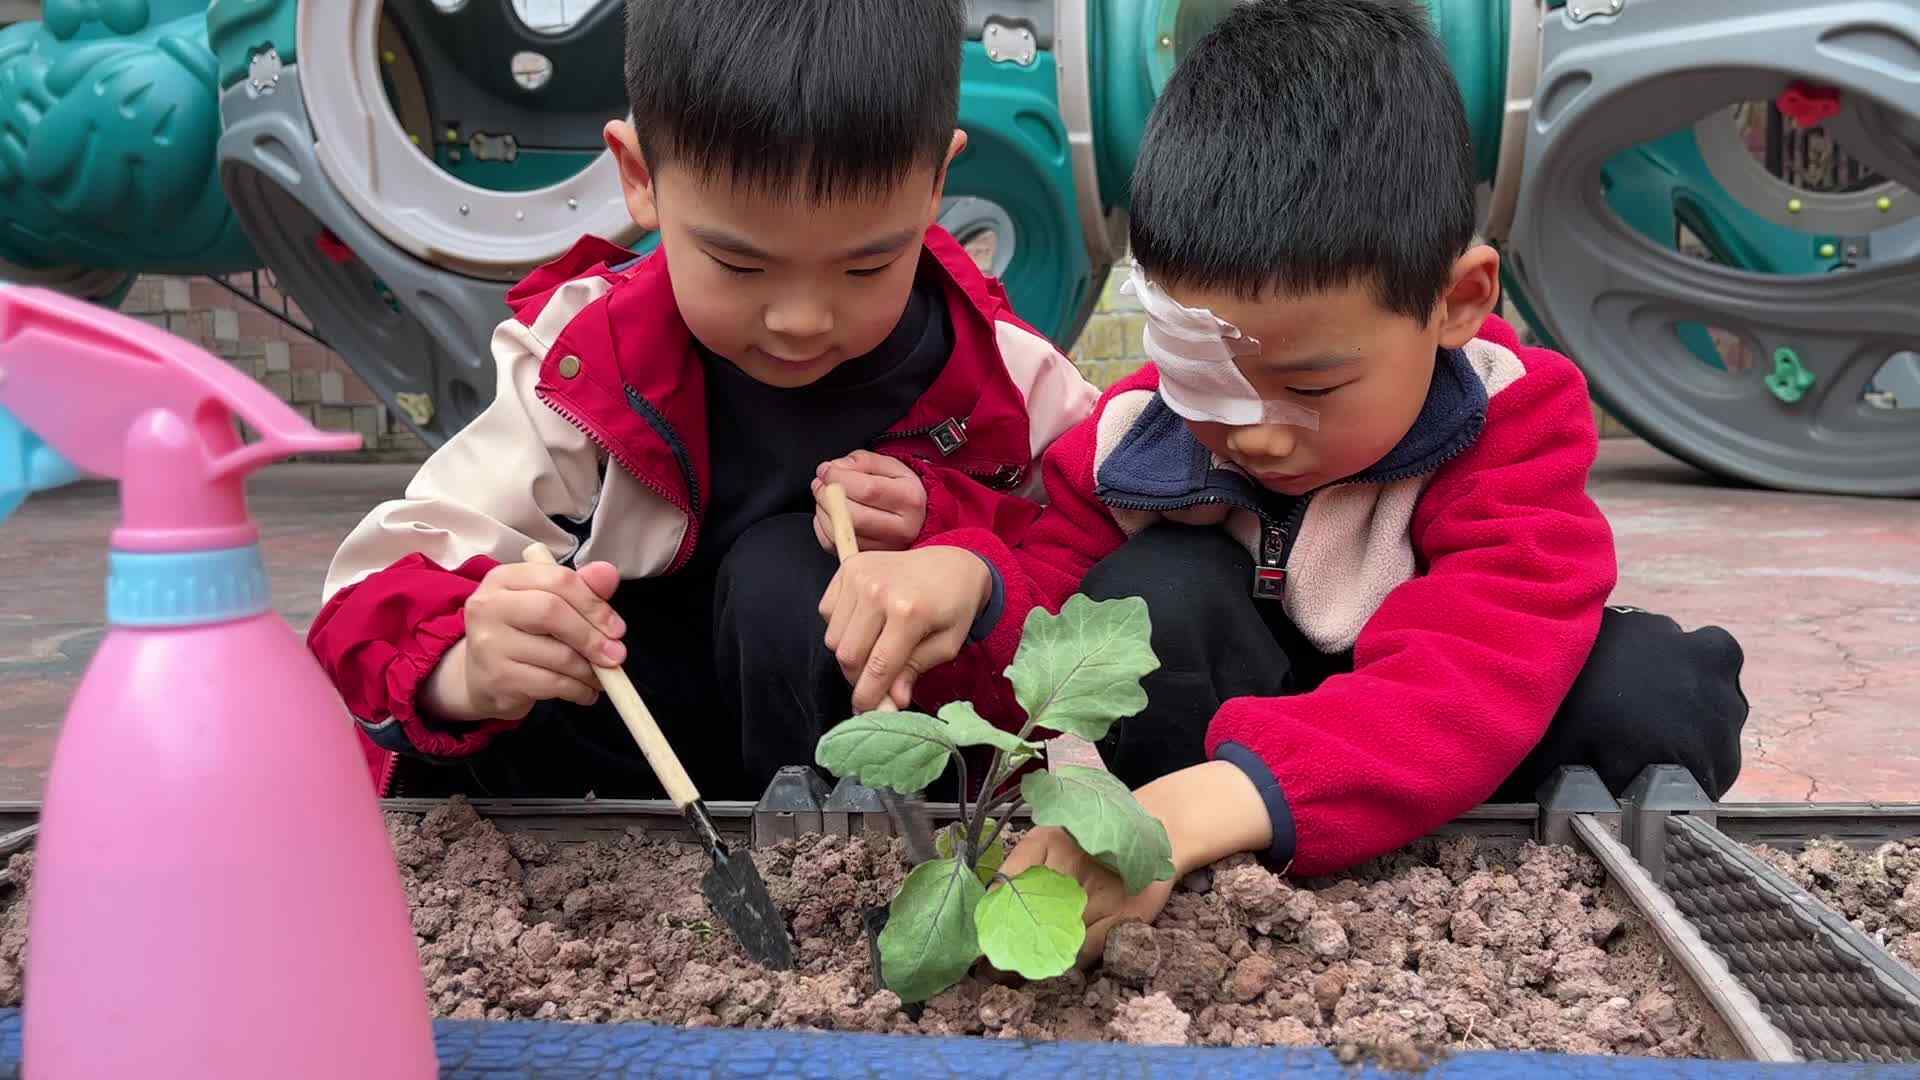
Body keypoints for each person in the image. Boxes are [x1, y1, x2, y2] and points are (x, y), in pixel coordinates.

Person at [818, 0, 1747, 960]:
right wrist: (971, 586)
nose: (1255, 432)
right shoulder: (1138, 439)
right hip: (1221, 748)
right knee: (1148, 598)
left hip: (1403, 740)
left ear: (1458, 301)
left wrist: (1234, 794)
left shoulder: (1510, 421)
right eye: (1205, 374)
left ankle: (1489, 860)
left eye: (1312, 383)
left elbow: (1473, 665)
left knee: (1651, 692)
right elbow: (1042, 628)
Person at [307, 0, 1097, 800]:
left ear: (936, 184)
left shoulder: (1005, 381)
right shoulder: (587, 365)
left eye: (865, 269)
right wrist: (465, 667)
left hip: (882, 783)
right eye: (739, 266)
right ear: (641, 177)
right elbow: (372, 595)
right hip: (623, 792)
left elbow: (1098, 571)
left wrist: (964, 550)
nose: (801, 321)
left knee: (786, 571)